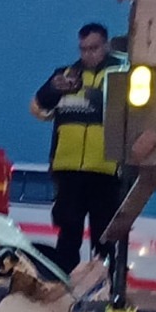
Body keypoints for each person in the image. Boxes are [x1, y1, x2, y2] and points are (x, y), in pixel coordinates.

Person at [31, 23, 127, 273]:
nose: (87, 54)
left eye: (93, 48)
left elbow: (134, 114)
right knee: (67, 235)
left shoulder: (121, 74)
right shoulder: (66, 74)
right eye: (83, 49)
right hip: (69, 170)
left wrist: (100, 98)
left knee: (104, 237)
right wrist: (52, 89)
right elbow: (38, 110)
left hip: (105, 170)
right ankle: (64, 283)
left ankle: (105, 283)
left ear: (106, 45)